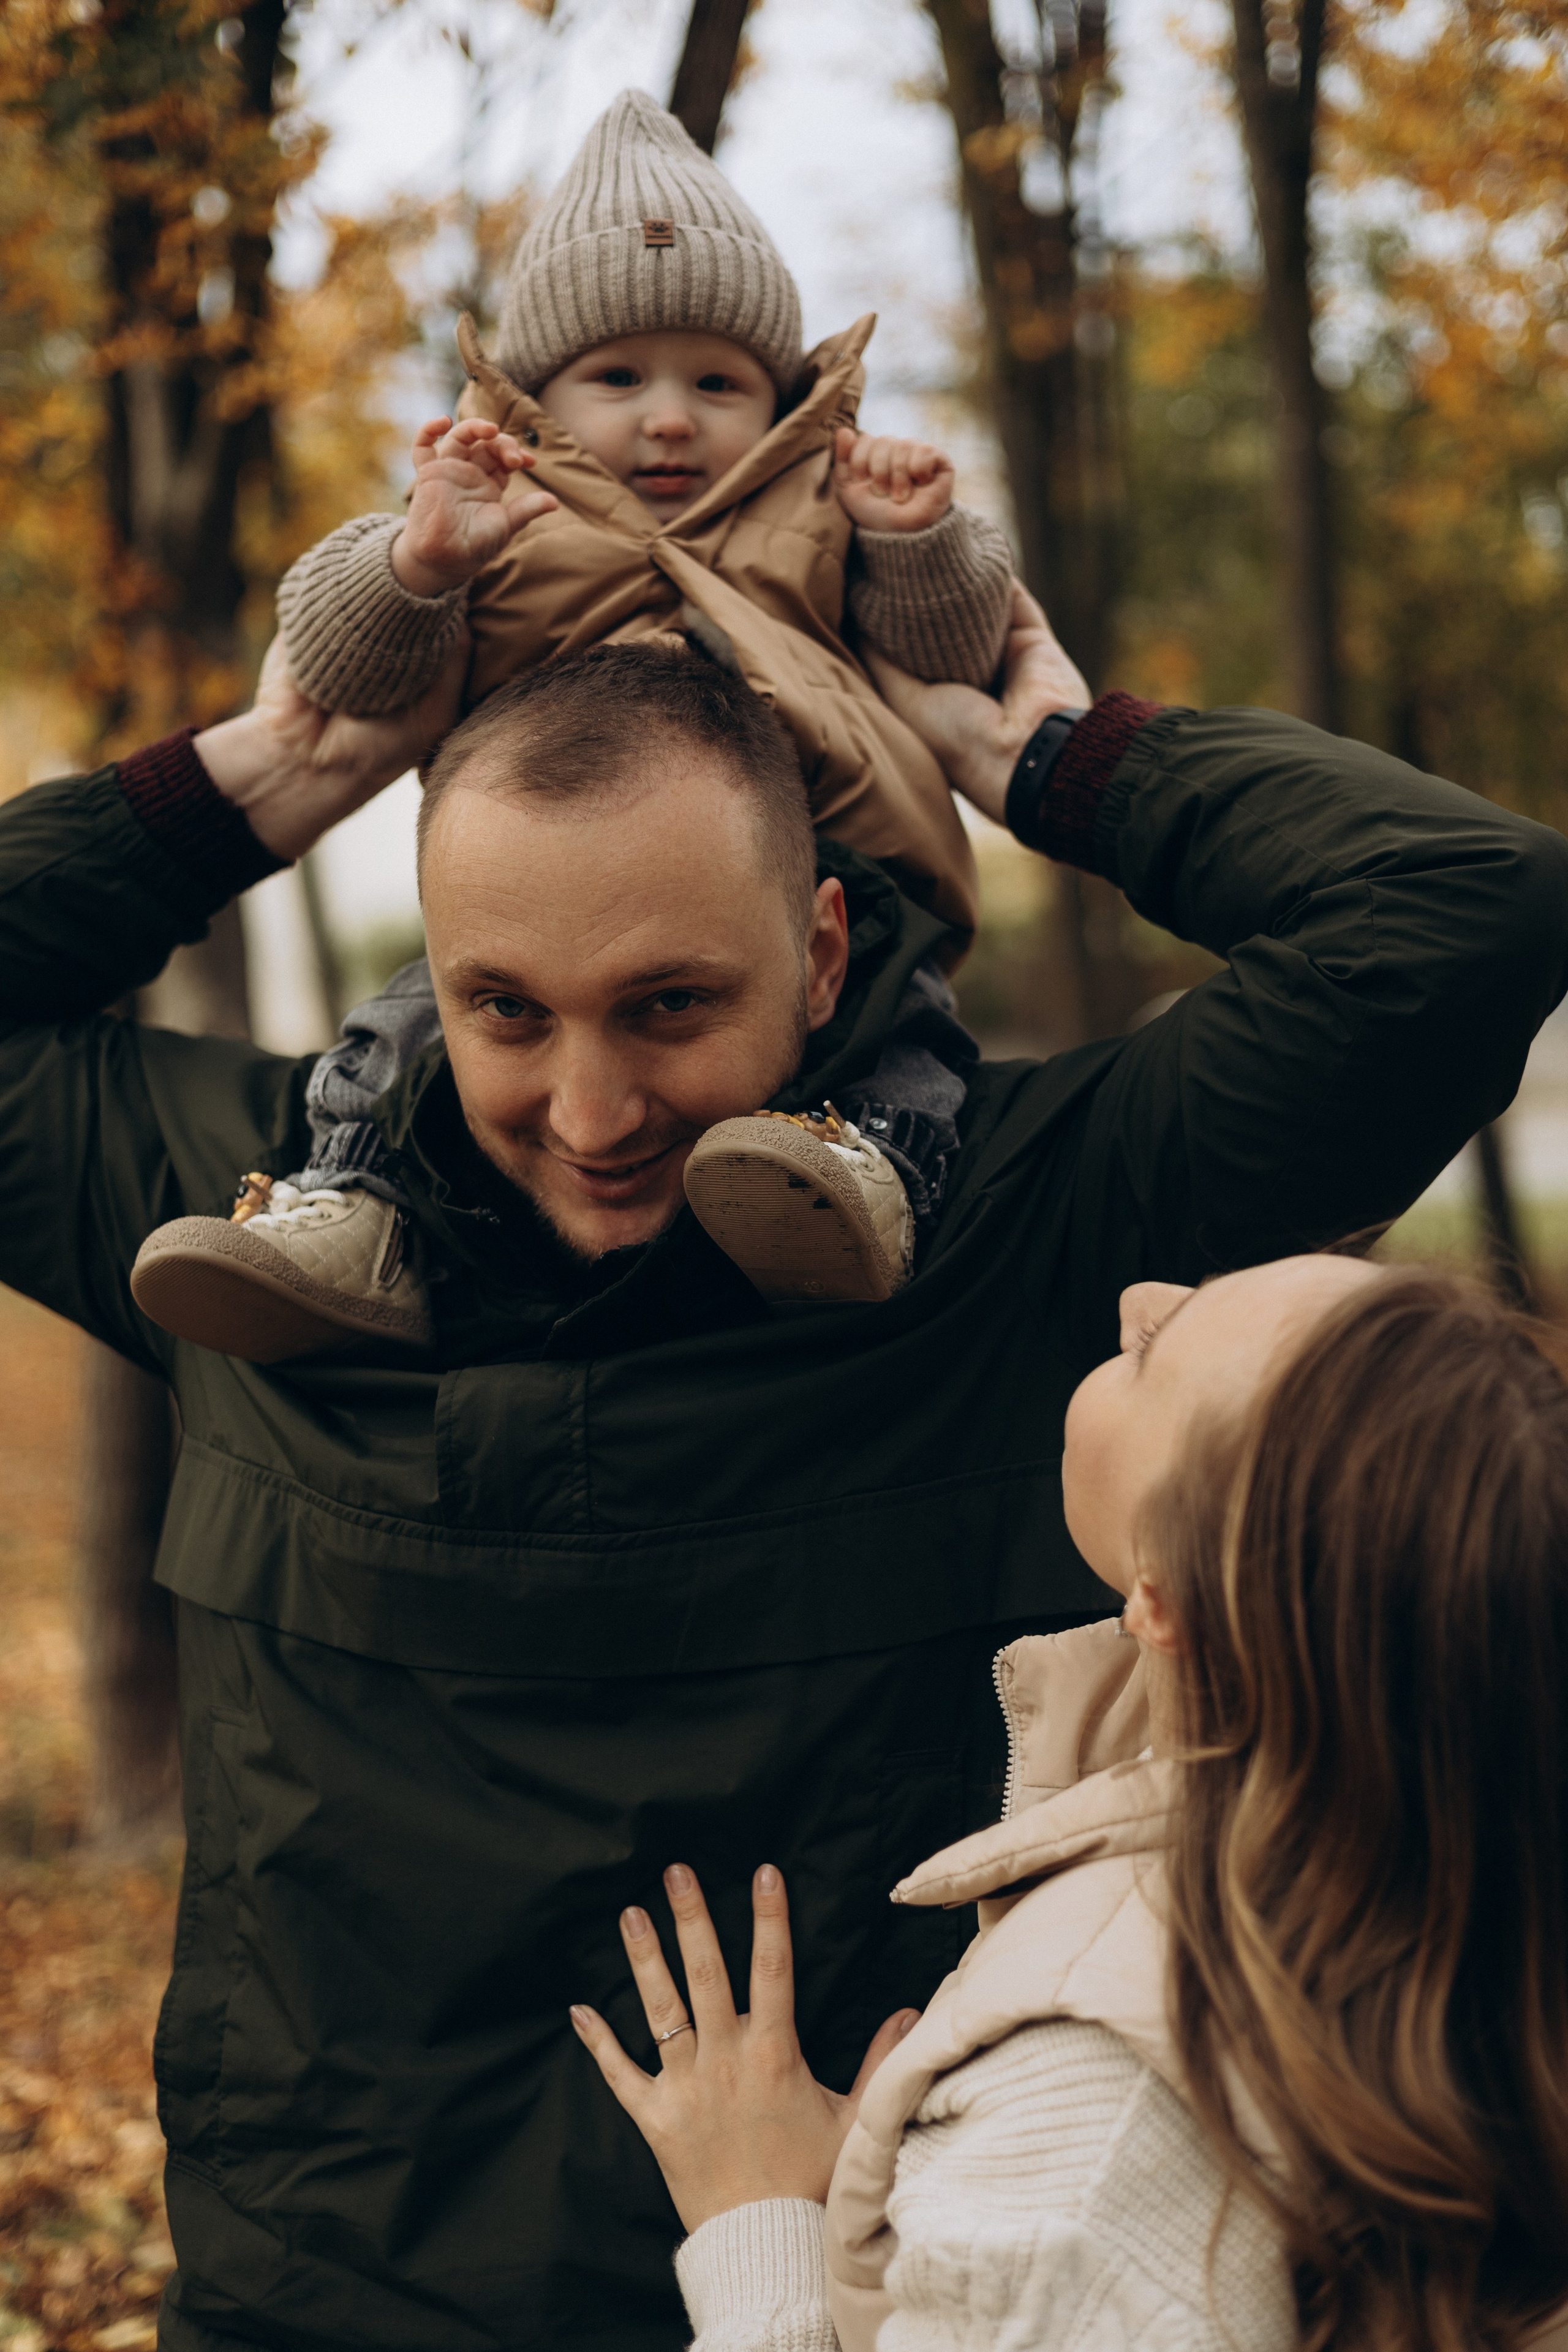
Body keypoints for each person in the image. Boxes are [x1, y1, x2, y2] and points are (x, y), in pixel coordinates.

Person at [0, 578, 1564, 2352]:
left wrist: (1042, 753)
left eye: (669, 1004)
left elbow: (1466, 910)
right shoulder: (252, 1241)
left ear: (824, 953)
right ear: (429, 973)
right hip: (315, 2317)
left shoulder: (1028, 1227)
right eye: (503, 1010)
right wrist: (285, 759)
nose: (591, 1114)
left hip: (865, 2299)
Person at [129, 86, 1017, 1355]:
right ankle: (356, 1214)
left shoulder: (822, 502)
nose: (671, 415)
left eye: (718, 380)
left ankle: (857, 1184)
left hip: (838, 855)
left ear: (782, 397)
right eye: (618, 377)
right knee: (407, 1027)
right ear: (535, 394)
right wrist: (416, 566)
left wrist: (922, 544)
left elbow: (956, 659)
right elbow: (337, 669)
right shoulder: (498, 509)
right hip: (539, 897)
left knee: (908, 1028)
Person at [575, 1257, 1568, 2350]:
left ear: (1168, 1599)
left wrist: (759, 2227)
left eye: (1154, 1354)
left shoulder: (1084, 2143)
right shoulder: (1472, 1868)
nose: (1140, 1297)